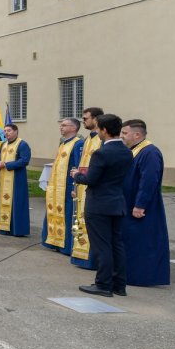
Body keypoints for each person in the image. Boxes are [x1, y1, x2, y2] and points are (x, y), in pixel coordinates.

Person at [72, 114, 131, 297]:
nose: (96, 131)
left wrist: (76, 175)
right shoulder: (126, 151)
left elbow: (91, 179)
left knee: (102, 246)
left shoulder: (101, 153)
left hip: (99, 204)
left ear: (104, 130)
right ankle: (119, 285)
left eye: (98, 128)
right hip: (117, 202)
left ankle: (103, 284)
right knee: (116, 244)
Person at [119, 119, 170, 287]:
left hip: (142, 206)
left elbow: (149, 180)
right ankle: (130, 274)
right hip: (129, 202)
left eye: (125, 133)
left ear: (137, 135)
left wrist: (140, 204)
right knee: (132, 241)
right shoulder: (135, 150)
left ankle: (143, 277)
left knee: (144, 242)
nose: (121, 136)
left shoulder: (150, 152)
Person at [41, 118, 83, 255]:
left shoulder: (78, 143)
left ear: (74, 128)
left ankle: (66, 245)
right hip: (57, 186)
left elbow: (78, 166)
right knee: (55, 212)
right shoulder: (63, 143)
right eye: (61, 125)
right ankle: (54, 241)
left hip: (68, 186)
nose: (61, 127)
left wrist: (75, 187)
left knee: (68, 214)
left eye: (64, 125)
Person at [70, 107, 105, 269]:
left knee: (92, 223)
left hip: (94, 185)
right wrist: (76, 186)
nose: (83, 121)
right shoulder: (87, 139)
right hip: (83, 184)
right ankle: (81, 257)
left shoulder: (101, 139)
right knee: (81, 219)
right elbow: (81, 164)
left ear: (96, 119)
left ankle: (92, 260)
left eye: (85, 119)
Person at [0, 123, 31, 236]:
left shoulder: (22, 144)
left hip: (17, 179)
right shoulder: (3, 144)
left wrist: (6, 164)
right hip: (3, 177)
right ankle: (3, 227)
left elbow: (24, 160)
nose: (6, 133)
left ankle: (17, 230)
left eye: (9, 130)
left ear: (16, 131)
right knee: (3, 201)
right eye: (5, 131)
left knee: (16, 203)